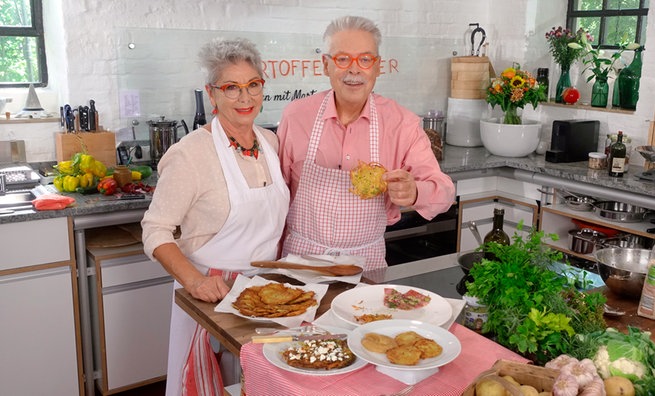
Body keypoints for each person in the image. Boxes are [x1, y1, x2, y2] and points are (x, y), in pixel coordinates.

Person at [141, 37, 289, 396]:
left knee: (254, 386)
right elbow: (155, 230)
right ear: (212, 94)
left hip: (263, 297)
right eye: (231, 88)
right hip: (209, 297)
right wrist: (195, 282)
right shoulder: (190, 154)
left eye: (253, 85)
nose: (245, 98)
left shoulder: (270, 142)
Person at [278, 15, 455, 270]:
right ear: (325, 65)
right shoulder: (296, 117)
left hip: (366, 266)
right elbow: (275, 198)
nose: (354, 69)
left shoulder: (402, 124)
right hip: (301, 263)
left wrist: (415, 191)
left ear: (377, 66)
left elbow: (445, 191)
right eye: (342, 59)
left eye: (364, 59)